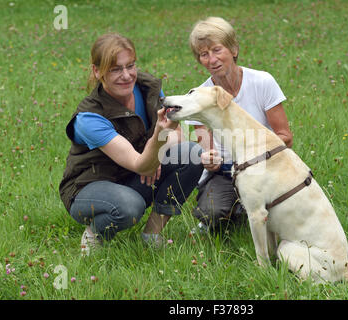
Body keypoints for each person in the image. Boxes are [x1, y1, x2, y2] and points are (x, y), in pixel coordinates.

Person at [59, 33, 203, 255]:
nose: (126, 76)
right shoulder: (89, 118)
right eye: (115, 69)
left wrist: (153, 152)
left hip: (134, 172)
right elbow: (142, 162)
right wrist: (154, 146)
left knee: (191, 153)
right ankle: (95, 232)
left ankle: (152, 234)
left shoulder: (148, 88)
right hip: (90, 186)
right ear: (97, 71)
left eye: (130, 66)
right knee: (129, 207)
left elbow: (178, 138)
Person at [186, 17, 293, 233]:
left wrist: (252, 156)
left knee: (285, 215)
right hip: (225, 172)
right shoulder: (199, 97)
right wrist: (209, 159)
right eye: (203, 54)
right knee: (211, 214)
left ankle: (247, 205)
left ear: (234, 49)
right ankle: (235, 208)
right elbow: (208, 149)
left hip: (265, 165)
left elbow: (285, 137)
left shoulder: (262, 82)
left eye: (217, 50)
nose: (212, 59)